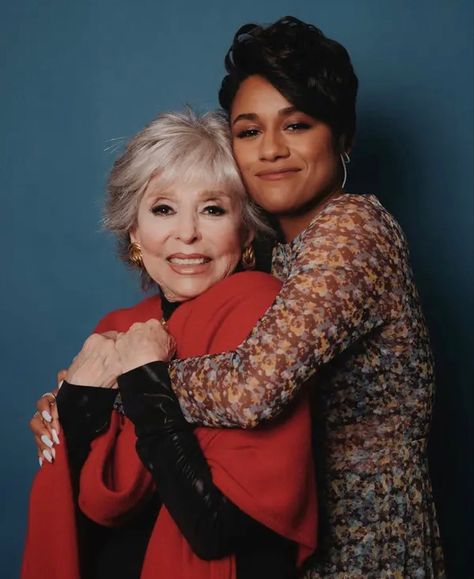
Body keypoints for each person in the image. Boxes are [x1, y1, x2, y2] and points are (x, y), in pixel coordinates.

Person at [30, 15, 445, 578]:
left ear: (342, 137)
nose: (271, 149)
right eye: (249, 131)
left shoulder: (350, 230)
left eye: (296, 125)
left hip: (364, 545)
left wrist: (117, 385)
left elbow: (253, 387)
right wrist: (78, 403)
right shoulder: (275, 252)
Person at [22, 109, 317, 579]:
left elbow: (216, 531)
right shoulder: (118, 328)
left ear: (244, 233)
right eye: (163, 208)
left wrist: (144, 379)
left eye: (213, 209)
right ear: (135, 232)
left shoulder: (266, 315)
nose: (187, 233)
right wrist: (73, 413)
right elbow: (83, 517)